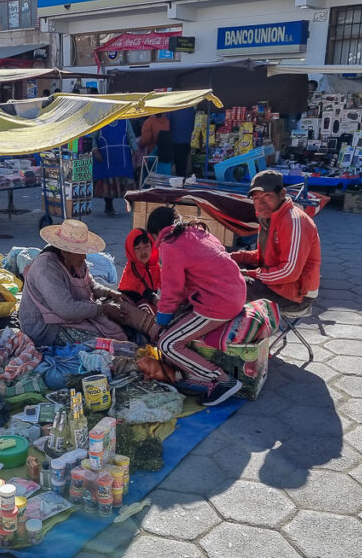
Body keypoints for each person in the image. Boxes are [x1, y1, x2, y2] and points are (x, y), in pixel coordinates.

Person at [146, 207, 247, 406]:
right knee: (175, 325)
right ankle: (198, 374)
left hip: (219, 302)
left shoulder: (169, 244)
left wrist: (161, 322)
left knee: (167, 344)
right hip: (236, 292)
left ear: (155, 233)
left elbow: (170, 290)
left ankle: (223, 380)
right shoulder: (199, 232)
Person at [20, 219, 154, 347]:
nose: (84, 257)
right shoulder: (46, 268)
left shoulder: (76, 262)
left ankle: (154, 330)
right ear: (65, 252)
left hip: (72, 313)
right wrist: (102, 309)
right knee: (105, 342)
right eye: (80, 253)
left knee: (121, 309)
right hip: (47, 327)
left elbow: (90, 284)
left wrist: (110, 292)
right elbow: (66, 309)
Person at [229, 170, 321, 308]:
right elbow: (264, 256)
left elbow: (289, 272)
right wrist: (233, 257)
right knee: (224, 268)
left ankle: (231, 327)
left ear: (282, 194)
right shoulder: (269, 216)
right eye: (256, 198)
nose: (261, 204)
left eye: (267, 196)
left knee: (226, 284)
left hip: (296, 293)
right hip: (278, 282)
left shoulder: (293, 220)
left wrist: (250, 273)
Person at [92, 118, 137, 215]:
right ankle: (109, 207)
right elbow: (93, 138)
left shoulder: (125, 122)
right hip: (106, 158)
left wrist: (135, 150)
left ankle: (131, 205)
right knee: (108, 183)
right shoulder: (100, 121)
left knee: (127, 182)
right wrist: (95, 151)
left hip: (122, 157)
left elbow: (131, 137)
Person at [118, 228, 160, 313]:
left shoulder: (154, 266)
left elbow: (166, 281)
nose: (143, 251)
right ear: (131, 250)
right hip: (131, 306)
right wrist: (155, 299)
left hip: (147, 300)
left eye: (147, 246)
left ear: (152, 246)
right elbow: (141, 286)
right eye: (138, 248)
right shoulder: (132, 269)